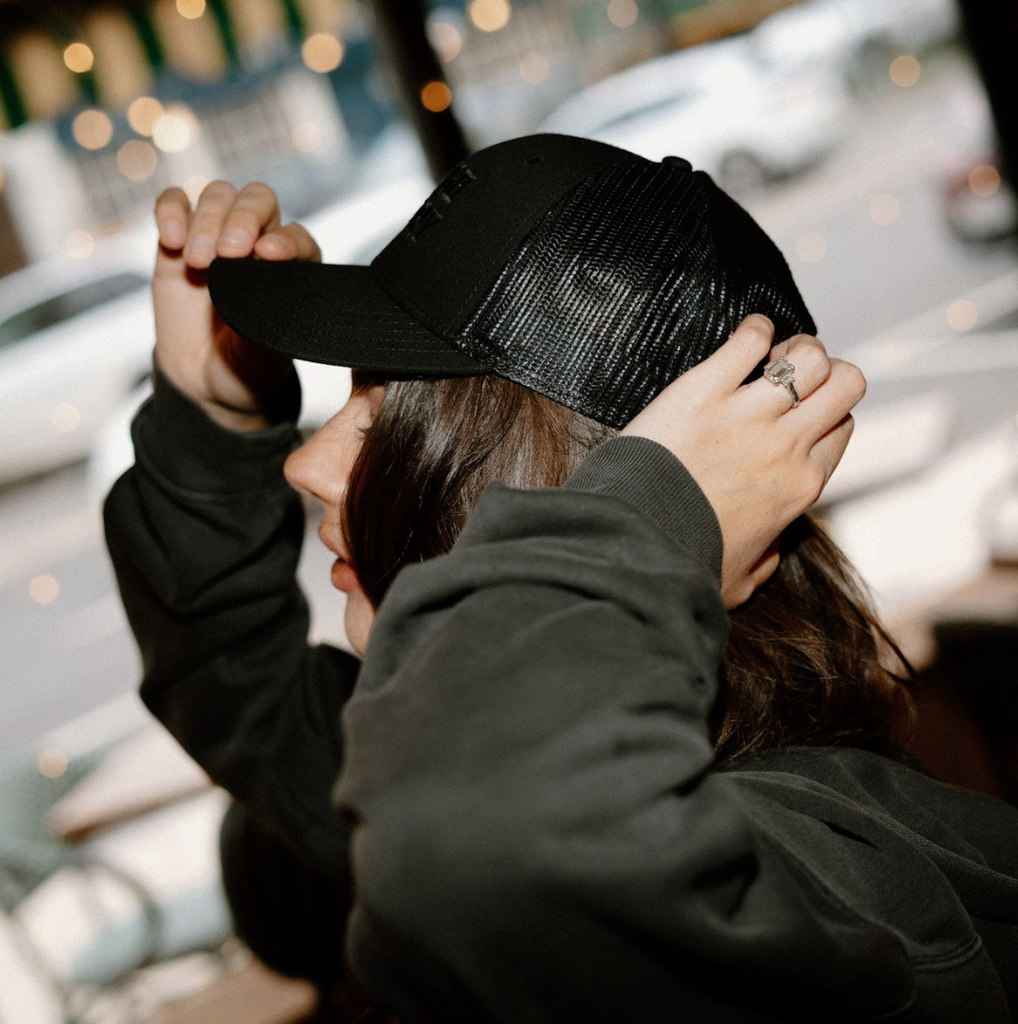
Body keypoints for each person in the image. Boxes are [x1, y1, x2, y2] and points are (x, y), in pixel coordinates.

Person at [105, 134, 1018, 1022]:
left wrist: (654, 518)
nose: (306, 468)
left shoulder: (820, 883)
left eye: (388, 424)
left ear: (626, 493)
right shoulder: (474, 749)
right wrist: (217, 408)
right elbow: (235, 683)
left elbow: (494, 842)